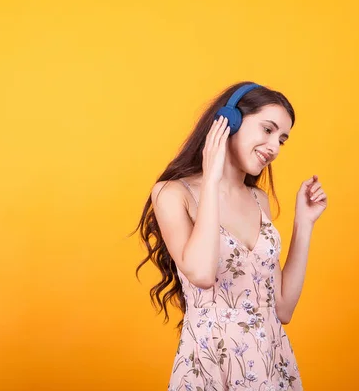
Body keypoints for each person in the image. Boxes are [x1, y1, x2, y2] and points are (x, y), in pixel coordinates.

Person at [133, 81, 327, 390]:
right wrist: (212, 178)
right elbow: (201, 273)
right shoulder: (172, 194)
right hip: (210, 365)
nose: (275, 147)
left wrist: (304, 222)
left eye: (282, 139)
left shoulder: (258, 200)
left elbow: (283, 308)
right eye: (267, 130)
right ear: (228, 121)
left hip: (270, 363)